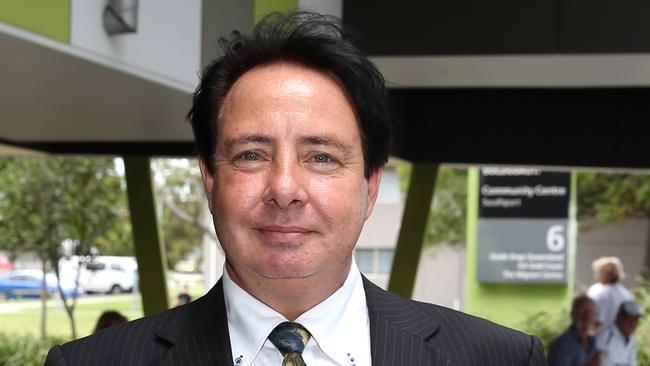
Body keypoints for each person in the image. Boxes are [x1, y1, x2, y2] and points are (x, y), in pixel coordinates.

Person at [46, 11, 545, 365]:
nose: (285, 189)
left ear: (371, 184)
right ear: (209, 179)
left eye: (321, 157)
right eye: (251, 155)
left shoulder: (496, 356)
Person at [548, 295, 602, 366]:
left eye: (591, 313)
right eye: (582, 312)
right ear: (573, 314)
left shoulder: (592, 341)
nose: (587, 317)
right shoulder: (563, 343)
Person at [587, 256, 632, 331]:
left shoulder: (599, 292)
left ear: (605, 273)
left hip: (600, 337)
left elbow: (598, 321)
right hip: (619, 337)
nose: (596, 276)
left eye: (598, 272)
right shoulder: (626, 294)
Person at [597, 300, 642, 366]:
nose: (633, 324)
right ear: (619, 317)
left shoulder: (632, 340)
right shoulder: (605, 338)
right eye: (629, 319)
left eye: (636, 319)